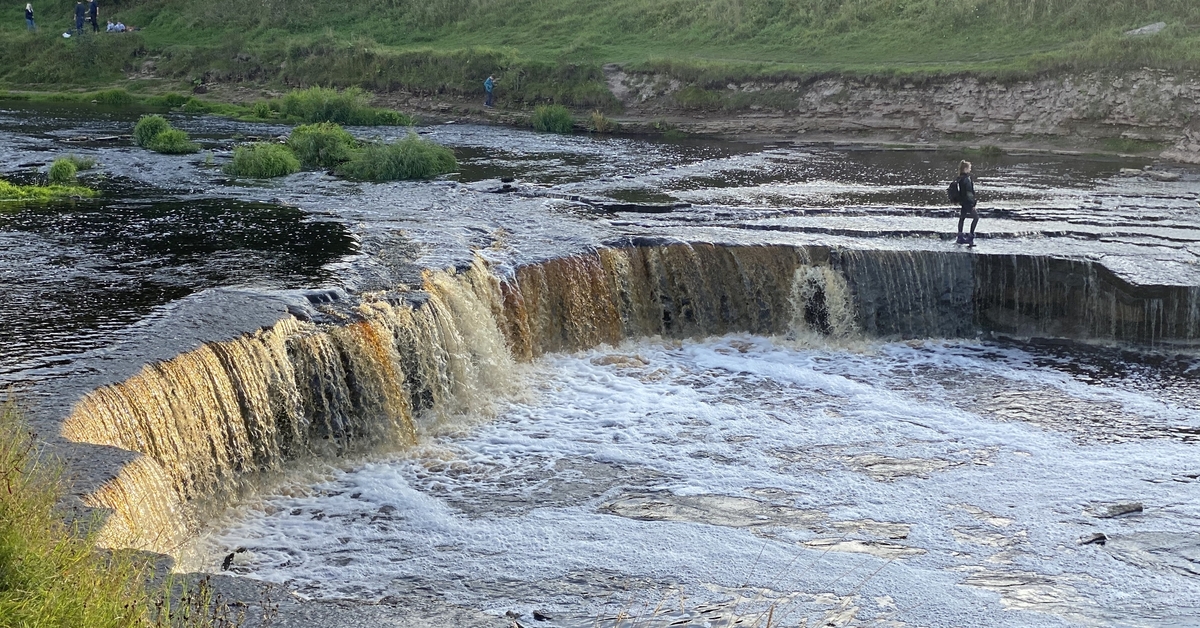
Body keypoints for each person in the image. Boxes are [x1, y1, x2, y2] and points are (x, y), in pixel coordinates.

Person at [955, 160, 979, 246]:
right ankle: (970, 237)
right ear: (965, 169)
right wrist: (973, 204)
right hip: (968, 202)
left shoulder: (959, 178)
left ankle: (960, 237)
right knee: (976, 218)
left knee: (962, 218)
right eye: (969, 168)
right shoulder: (966, 179)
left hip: (963, 202)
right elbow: (969, 193)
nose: (970, 169)